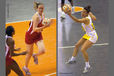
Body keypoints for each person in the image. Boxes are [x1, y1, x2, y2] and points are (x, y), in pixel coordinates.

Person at [65, 5, 98, 73]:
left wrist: (69, 15)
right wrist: (91, 14)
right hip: (88, 34)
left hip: (92, 36)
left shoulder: (86, 19)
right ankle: (73, 59)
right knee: (77, 45)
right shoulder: (89, 15)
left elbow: (77, 20)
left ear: (87, 13)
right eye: (82, 11)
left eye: (84, 12)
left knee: (83, 49)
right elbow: (94, 18)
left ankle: (87, 66)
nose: (82, 13)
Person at [23, 1, 51, 75]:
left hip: (38, 35)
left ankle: (35, 55)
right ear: (37, 9)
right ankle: (25, 67)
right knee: (29, 54)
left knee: (42, 50)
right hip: (30, 36)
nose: (41, 10)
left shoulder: (43, 15)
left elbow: (40, 25)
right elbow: (34, 29)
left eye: (42, 8)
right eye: (40, 8)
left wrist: (47, 22)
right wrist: (45, 26)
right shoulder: (36, 17)